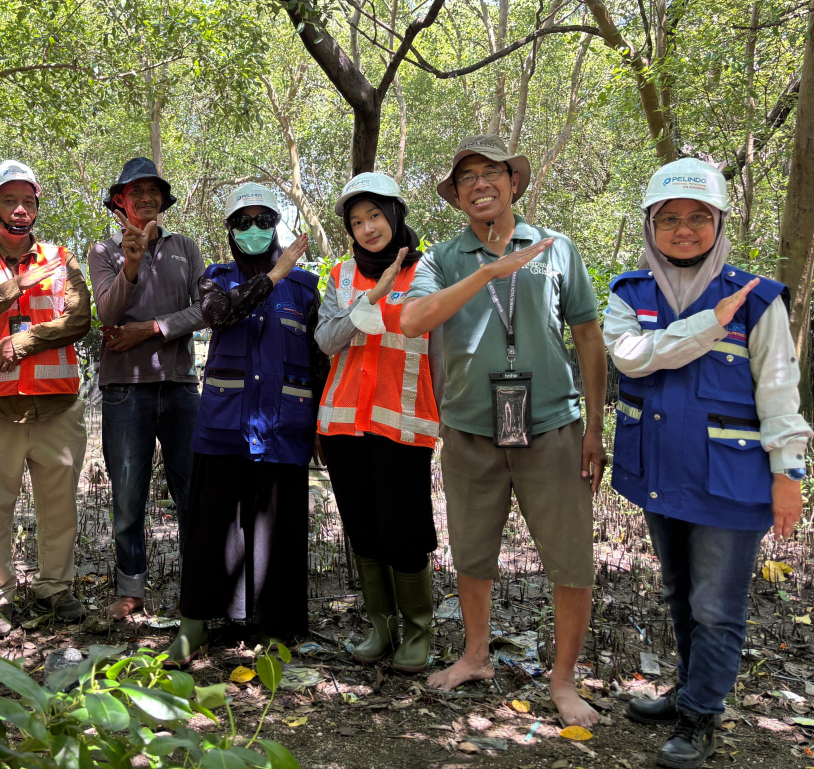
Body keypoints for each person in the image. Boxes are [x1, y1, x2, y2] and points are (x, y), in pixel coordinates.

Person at [604, 159, 810, 768]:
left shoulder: (756, 298)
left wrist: (787, 475)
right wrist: (705, 325)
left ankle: (701, 717)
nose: (684, 229)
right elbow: (632, 360)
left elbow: (779, 392)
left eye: (699, 217)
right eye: (670, 218)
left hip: (731, 480)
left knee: (718, 606)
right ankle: (688, 691)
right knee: (678, 592)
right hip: (660, 474)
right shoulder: (630, 294)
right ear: (650, 225)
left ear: (720, 224)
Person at [399, 135, 607, 728]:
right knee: (471, 552)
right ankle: (475, 655)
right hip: (468, 430)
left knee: (569, 560)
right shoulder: (440, 258)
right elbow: (414, 320)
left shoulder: (556, 248)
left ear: (514, 183)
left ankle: (563, 680)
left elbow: (588, 337)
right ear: (457, 196)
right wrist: (490, 271)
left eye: (493, 173)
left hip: (552, 428)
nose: (481, 184)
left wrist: (595, 427)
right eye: (468, 178)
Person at [164, 183, 326, 664]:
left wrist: (317, 424)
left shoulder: (307, 287)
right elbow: (219, 316)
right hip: (223, 425)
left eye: (263, 221)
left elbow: (317, 360)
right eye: (242, 222)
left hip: (285, 426)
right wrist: (275, 274)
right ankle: (194, 625)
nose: (253, 230)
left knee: (280, 529)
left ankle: (276, 628)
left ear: (275, 225)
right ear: (230, 230)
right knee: (210, 526)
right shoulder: (215, 279)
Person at [0, 159, 92, 630]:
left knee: (60, 503)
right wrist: (12, 289)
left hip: (56, 406)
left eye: (28, 200)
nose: (21, 209)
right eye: (10, 200)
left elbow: (80, 318)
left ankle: (55, 588)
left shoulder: (61, 257)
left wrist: (23, 342)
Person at [314, 172, 442, 671]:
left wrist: (388, 293)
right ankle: (381, 625)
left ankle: (418, 630)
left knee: (404, 529)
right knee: (363, 529)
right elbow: (326, 340)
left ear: (394, 215)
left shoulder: (427, 270)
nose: (367, 228)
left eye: (375, 216)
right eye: (357, 221)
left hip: (403, 421)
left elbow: (426, 327)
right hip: (343, 424)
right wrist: (372, 297)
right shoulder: (343, 276)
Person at [88, 157, 206, 621]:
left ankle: (198, 586)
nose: (145, 198)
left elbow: (205, 309)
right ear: (120, 199)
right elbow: (108, 314)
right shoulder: (103, 251)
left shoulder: (186, 249)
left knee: (192, 489)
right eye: (135, 191)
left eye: (153, 190)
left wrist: (153, 328)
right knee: (127, 493)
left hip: (179, 387)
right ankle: (130, 588)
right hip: (125, 390)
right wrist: (131, 265)